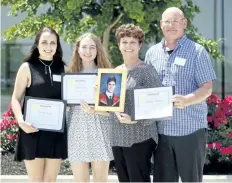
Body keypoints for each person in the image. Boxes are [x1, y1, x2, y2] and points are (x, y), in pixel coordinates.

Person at [145, 7, 217, 182]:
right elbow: (146, 89)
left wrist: (187, 100)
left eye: (175, 21)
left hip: (190, 131)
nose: (171, 25)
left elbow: (207, 88)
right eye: (167, 22)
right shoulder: (152, 53)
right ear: (161, 24)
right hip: (161, 132)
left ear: (184, 23)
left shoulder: (197, 51)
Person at [11, 27, 67, 182]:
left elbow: (68, 99)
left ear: (57, 45)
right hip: (32, 130)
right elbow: (15, 98)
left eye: (52, 43)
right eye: (44, 42)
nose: (48, 47)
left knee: (50, 180)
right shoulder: (27, 67)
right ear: (37, 44)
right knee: (36, 179)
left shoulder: (63, 68)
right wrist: (21, 121)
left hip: (56, 132)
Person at [110, 24, 163, 182]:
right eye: (124, 42)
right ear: (119, 45)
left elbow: (159, 105)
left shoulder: (147, 71)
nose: (128, 46)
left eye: (133, 42)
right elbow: (111, 106)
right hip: (117, 137)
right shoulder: (115, 72)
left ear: (140, 45)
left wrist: (134, 119)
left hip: (140, 138)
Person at [66, 33, 113, 182]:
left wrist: (96, 109)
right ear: (78, 50)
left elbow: (112, 111)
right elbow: (64, 107)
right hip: (76, 132)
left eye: (92, 47)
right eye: (84, 47)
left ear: (98, 50)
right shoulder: (68, 76)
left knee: (100, 180)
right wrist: (65, 105)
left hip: (100, 132)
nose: (88, 51)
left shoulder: (107, 76)